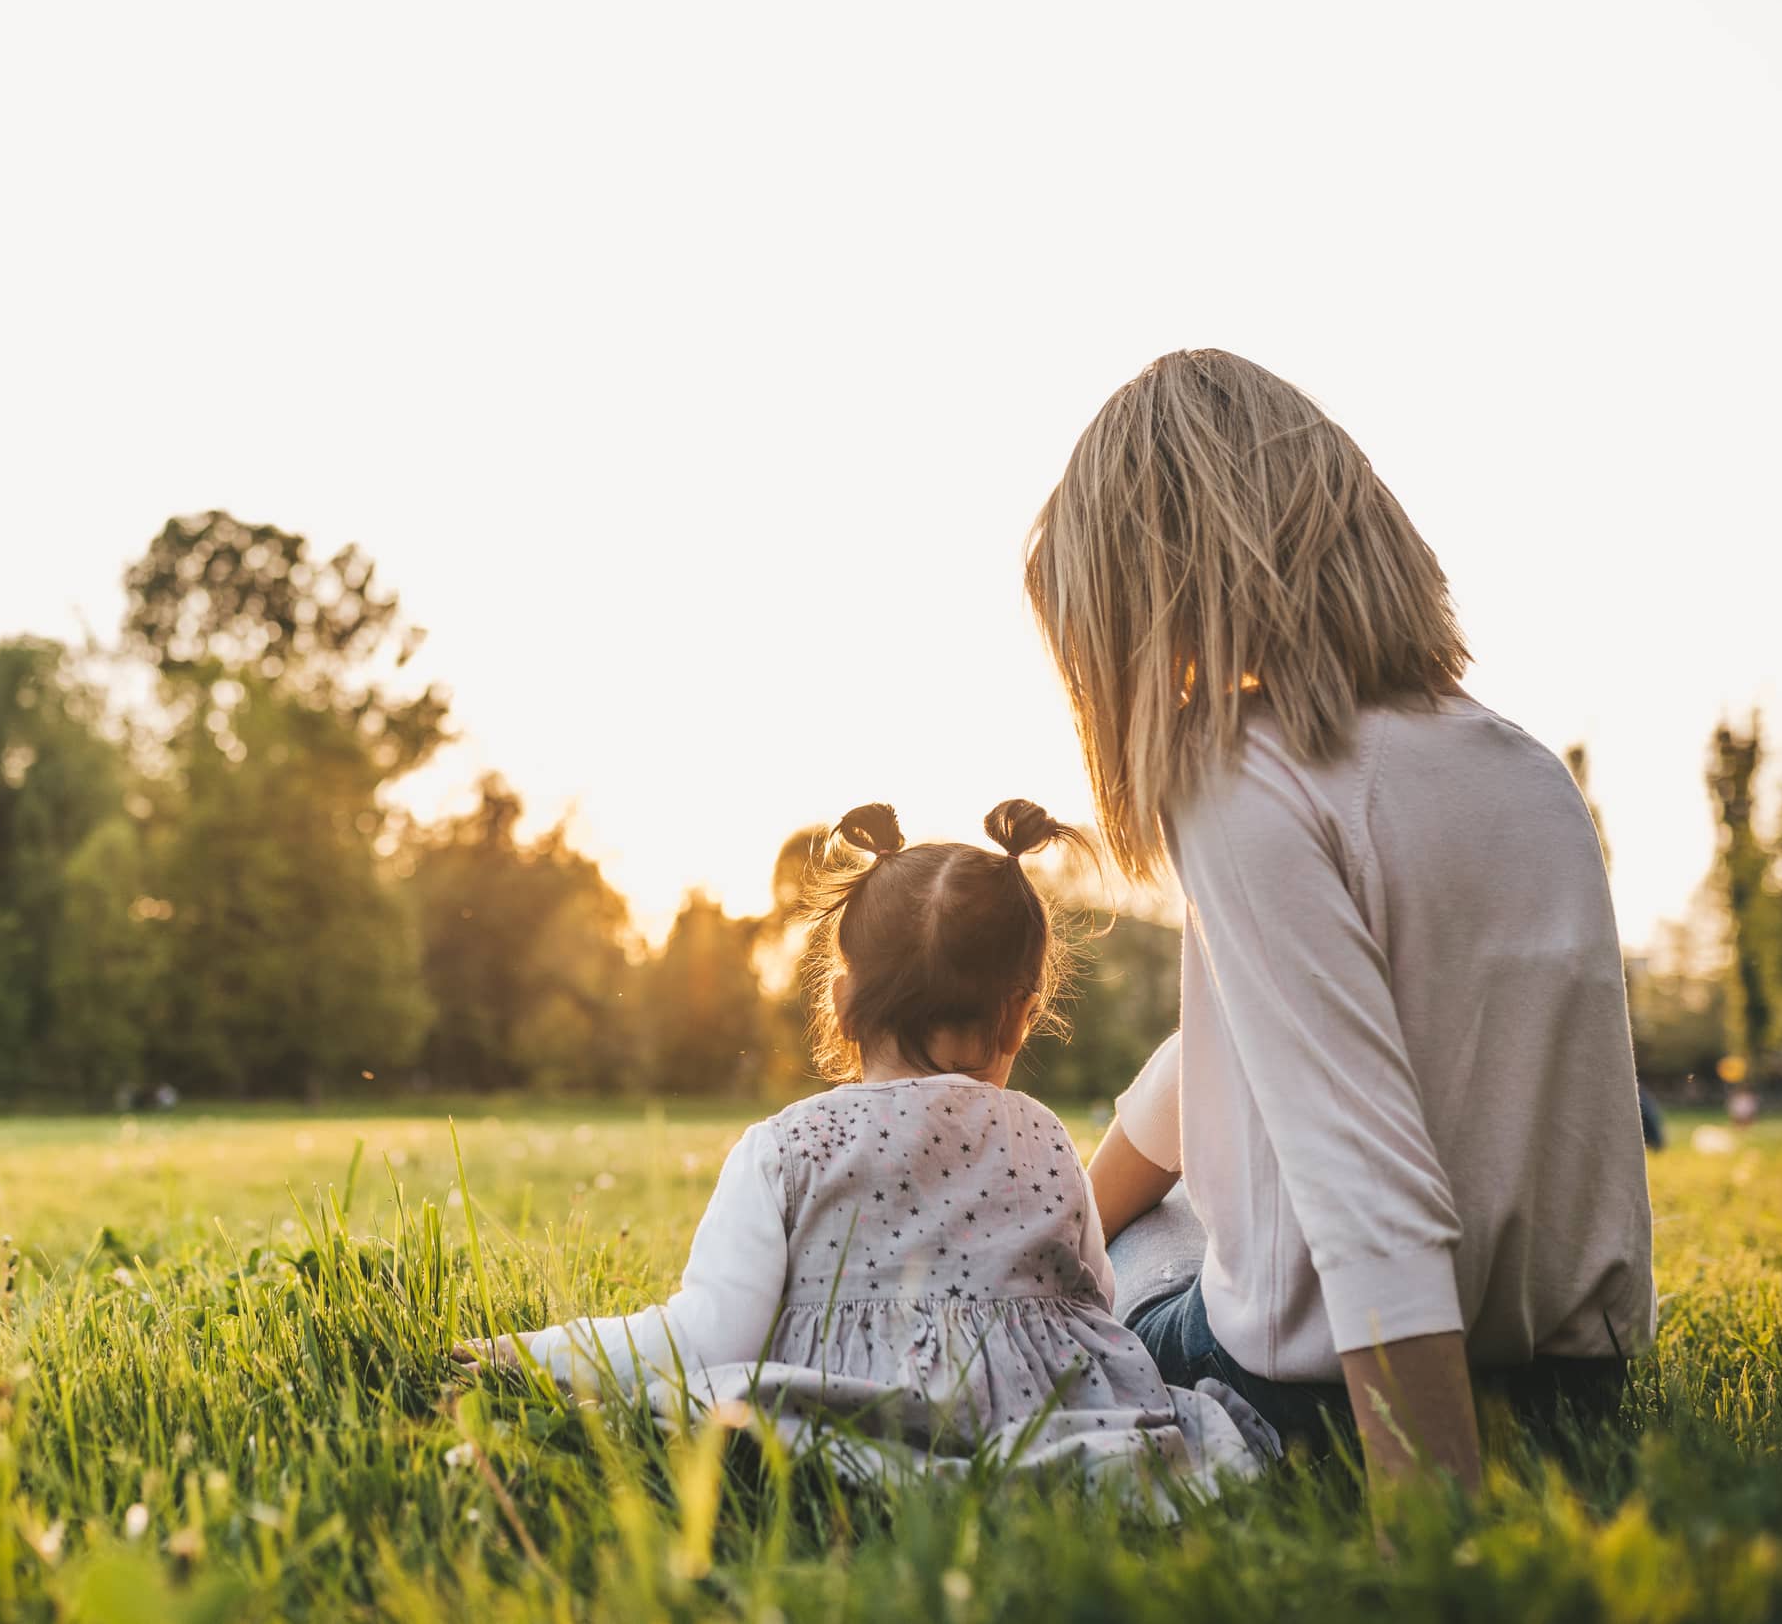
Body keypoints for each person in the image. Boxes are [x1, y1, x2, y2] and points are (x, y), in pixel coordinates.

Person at [1026, 349, 1657, 1487]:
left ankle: (1026, 1268)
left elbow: (1365, 1179)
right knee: (1203, 1084)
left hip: (1337, 1400)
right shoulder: (1525, 768)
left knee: (1124, 1257)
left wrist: (1431, 1522)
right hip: (1574, 1387)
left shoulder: (1239, 772)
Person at [456, 801, 1277, 1499]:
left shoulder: (785, 1148)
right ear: (1022, 1012)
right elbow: (1094, 1301)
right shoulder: (1045, 1136)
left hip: (856, 1415)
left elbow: (706, 1337)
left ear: (841, 999)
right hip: (1054, 1415)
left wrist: (528, 1353)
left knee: (707, 1398)